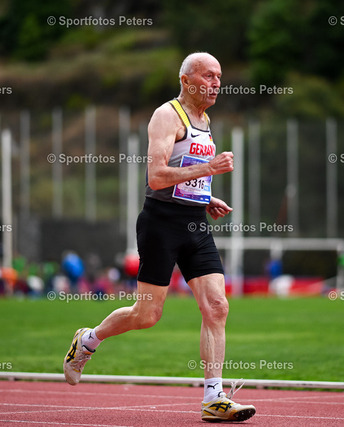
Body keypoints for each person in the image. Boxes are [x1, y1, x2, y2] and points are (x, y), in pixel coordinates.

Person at [63, 52, 256, 422]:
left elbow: (186, 172)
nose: (216, 83)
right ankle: (88, 339)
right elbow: (157, 176)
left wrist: (205, 196)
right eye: (208, 76)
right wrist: (210, 167)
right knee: (147, 314)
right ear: (186, 80)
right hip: (161, 224)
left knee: (217, 306)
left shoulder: (205, 119)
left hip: (195, 223)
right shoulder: (167, 115)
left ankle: (213, 397)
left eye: (219, 76)